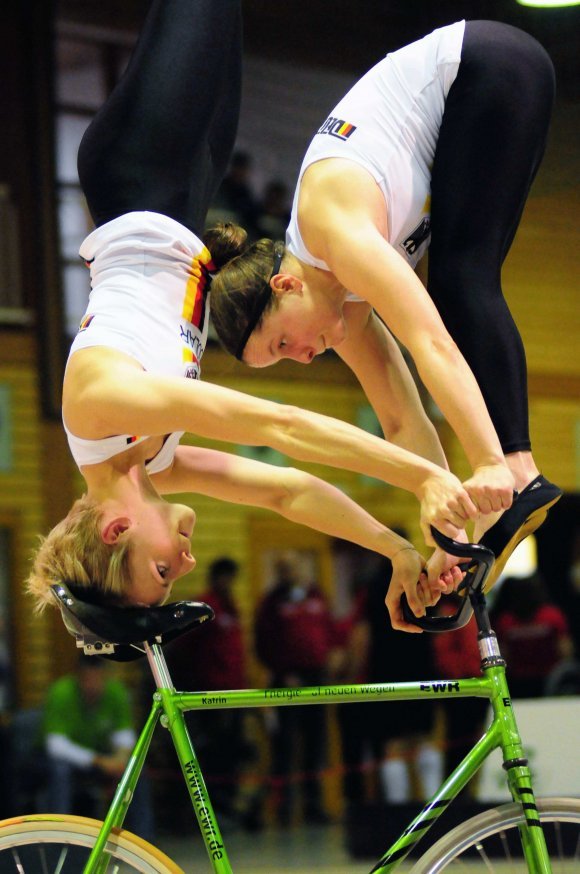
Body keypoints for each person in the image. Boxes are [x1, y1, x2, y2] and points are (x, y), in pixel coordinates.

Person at [25, 0, 473, 625]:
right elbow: (286, 490)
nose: (185, 566)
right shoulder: (156, 461)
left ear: (114, 529)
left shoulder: (96, 409)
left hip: (140, 174)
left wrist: (424, 478)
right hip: (186, 196)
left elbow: (282, 425)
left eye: (161, 571)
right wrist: (393, 549)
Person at [208, 19, 563, 615]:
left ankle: (518, 471)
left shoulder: (334, 230)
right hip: (491, 83)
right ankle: (511, 480)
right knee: (460, 275)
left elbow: (434, 347)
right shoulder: (340, 298)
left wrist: (488, 468)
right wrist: (451, 534)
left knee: (457, 282)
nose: (302, 356)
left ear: (285, 285)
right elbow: (401, 424)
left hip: (485, 66)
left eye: (280, 344)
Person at [164, 557, 252, 823]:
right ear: (216, 578)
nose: (229, 583)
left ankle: (227, 809)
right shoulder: (205, 608)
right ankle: (211, 813)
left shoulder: (231, 608)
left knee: (232, 754)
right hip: (210, 694)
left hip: (234, 693)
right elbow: (183, 650)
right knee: (213, 756)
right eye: (225, 577)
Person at [254, 552, 335, 825]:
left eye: (294, 567)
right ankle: (284, 810)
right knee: (284, 748)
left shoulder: (316, 595)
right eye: (285, 569)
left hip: (316, 679)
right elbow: (262, 642)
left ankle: (314, 807)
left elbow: (328, 632)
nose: (290, 573)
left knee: (315, 745)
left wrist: (332, 659)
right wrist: (282, 671)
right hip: (285, 681)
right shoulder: (272, 602)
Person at [42, 655, 154, 839]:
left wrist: (121, 758)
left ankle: (144, 839)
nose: (93, 685)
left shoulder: (115, 692)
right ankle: (59, 838)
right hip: (64, 761)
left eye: (99, 678)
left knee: (135, 771)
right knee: (59, 771)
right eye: (88, 679)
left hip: (101, 758)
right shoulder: (61, 692)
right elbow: (56, 745)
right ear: (77, 677)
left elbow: (124, 734)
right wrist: (99, 761)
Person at [491, 573, 573, 698]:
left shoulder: (506, 622)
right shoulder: (552, 616)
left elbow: (502, 656)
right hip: (527, 681)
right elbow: (565, 650)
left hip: (543, 680)